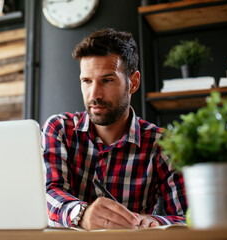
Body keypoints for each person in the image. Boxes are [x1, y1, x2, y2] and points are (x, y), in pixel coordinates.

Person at [41, 28, 187, 231]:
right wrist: (82, 214)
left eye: (107, 80)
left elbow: (187, 217)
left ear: (133, 82)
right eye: (87, 81)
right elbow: (49, 193)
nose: (94, 94)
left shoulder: (163, 144)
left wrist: (153, 222)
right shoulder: (59, 130)